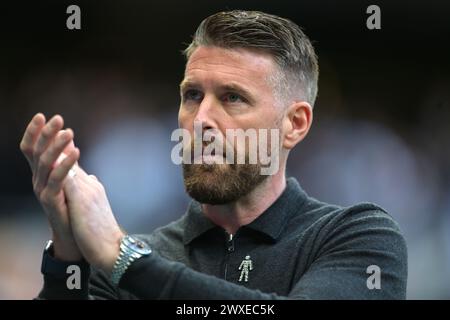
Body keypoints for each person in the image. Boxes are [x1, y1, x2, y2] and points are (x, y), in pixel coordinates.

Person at [20, 10, 407, 299]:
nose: (201, 119)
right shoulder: (135, 259)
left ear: (295, 124)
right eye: (192, 95)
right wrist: (67, 259)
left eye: (232, 98)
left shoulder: (360, 239)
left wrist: (127, 260)